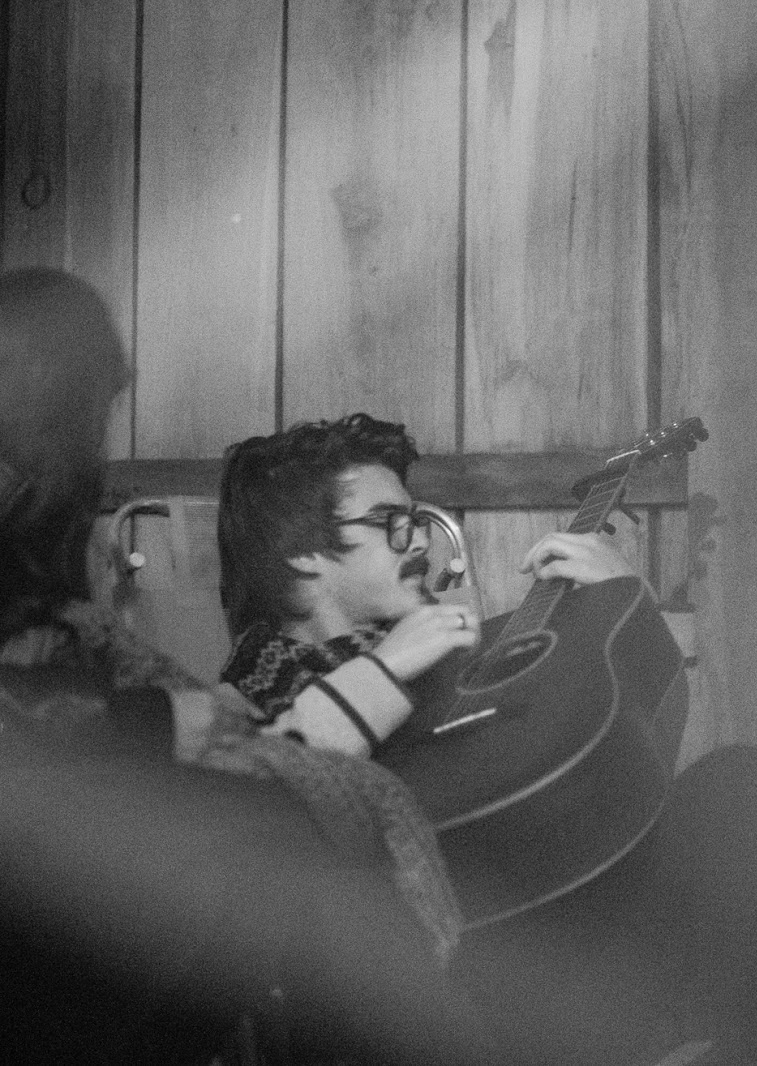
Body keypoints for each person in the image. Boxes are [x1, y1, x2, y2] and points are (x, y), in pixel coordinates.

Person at [216, 413, 757, 1065]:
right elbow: (264, 794)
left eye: (417, 520)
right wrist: (386, 668)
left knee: (745, 788)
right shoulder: (255, 684)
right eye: (390, 522)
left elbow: (631, 767)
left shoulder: (452, 652)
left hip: (578, 921)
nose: (416, 541)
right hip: (458, 979)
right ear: (304, 552)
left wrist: (624, 604)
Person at [0, 268, 493, 1065]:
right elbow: (262, 737)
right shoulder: (271, 663)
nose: (417, 545)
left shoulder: (45, 532)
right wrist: (160, 721)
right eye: (390, 525)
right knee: (278, 845)